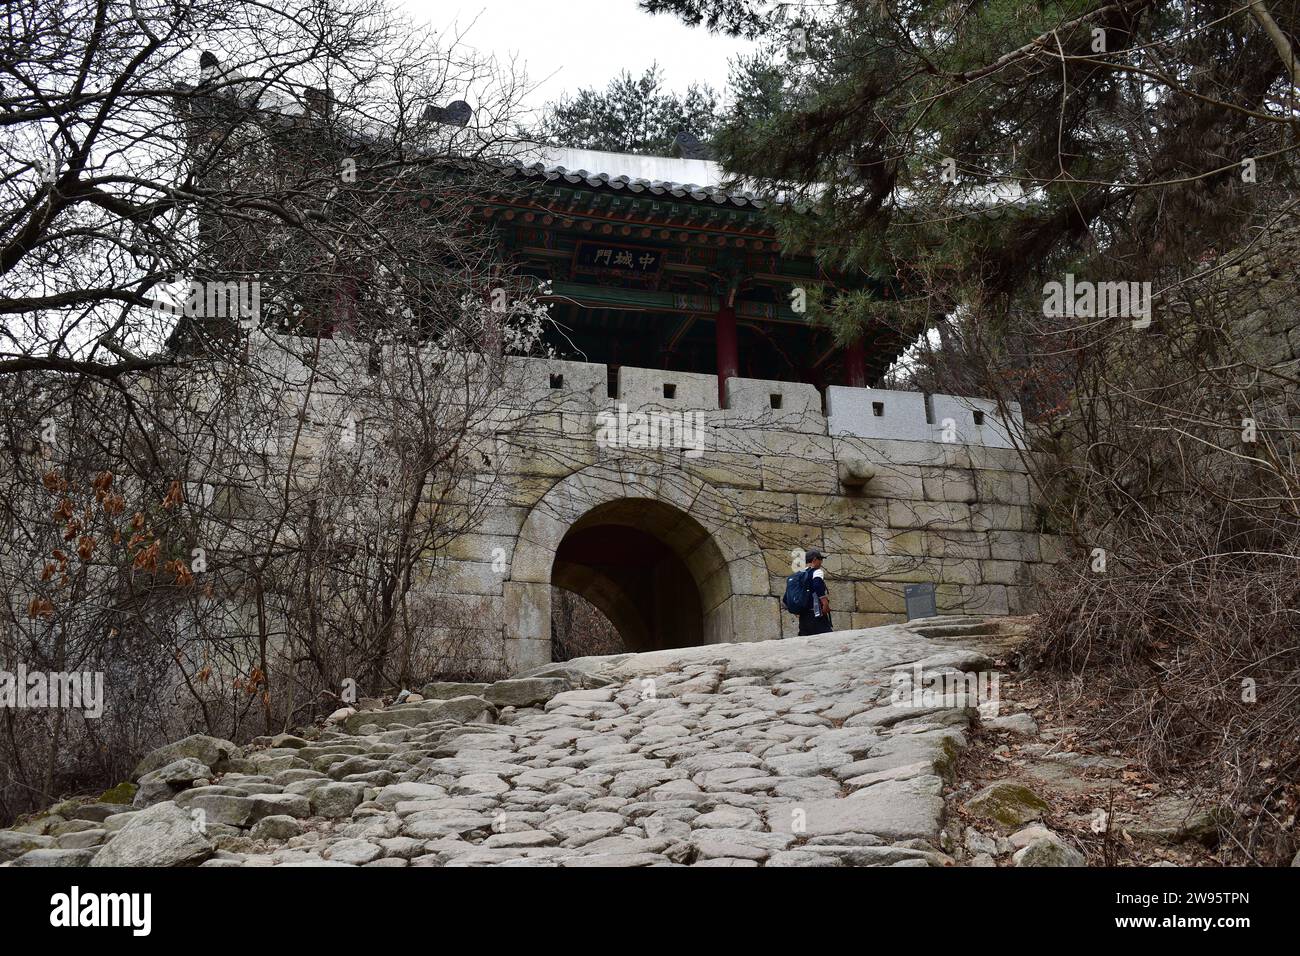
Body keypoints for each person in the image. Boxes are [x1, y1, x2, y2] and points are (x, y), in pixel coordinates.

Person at [797, 548, 833, 636]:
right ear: (814, 560)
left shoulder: (798, 575)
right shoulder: (816, 572)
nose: (821, 562)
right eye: (820, 560)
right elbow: (817, 585)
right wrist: (825, 603)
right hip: (816, 614)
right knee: (827, 638)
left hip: (803, 617)